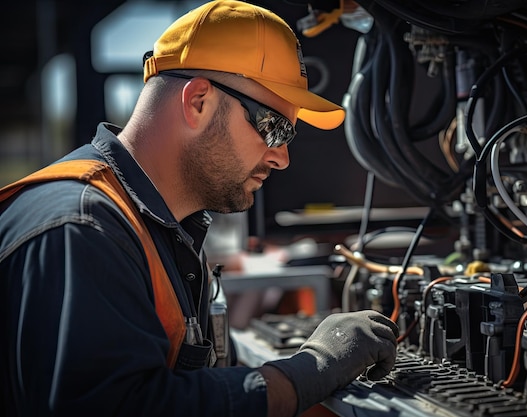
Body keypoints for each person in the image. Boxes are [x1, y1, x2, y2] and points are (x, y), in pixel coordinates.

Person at [0, 1, 399, 416]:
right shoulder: (81, 227)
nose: (282, 157)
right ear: (198, 102)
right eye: (274, 127)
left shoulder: (158, 227)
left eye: (289, 135)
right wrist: (311, 370)